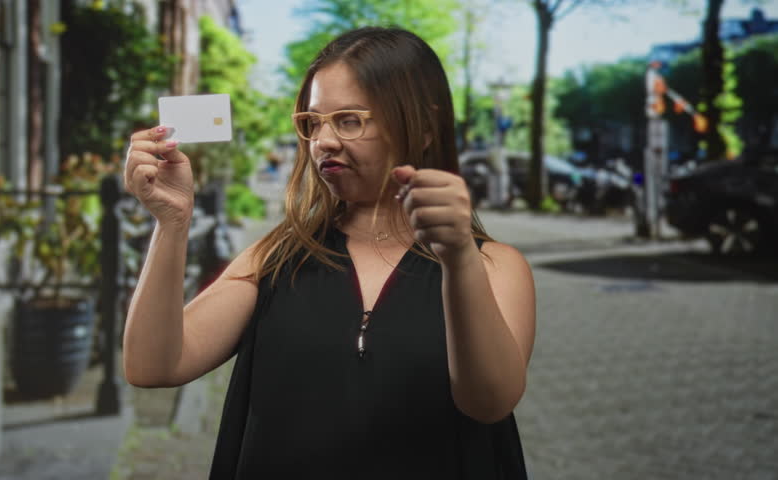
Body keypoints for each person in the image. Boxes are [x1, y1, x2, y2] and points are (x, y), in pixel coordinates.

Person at [122, 26, 536, 479]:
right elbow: (153, 364)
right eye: (313, 122)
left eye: (350, 120)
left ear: (420, 126)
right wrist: (172, 222)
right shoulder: (278, 255)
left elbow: (489, 402)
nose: (324, 141)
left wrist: (458, 260)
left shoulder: (496, 266)